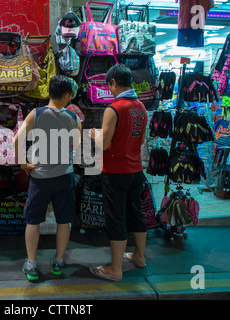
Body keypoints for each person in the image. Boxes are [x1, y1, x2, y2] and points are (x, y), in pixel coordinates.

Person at [13, 75, 81, 281]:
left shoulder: (37, 114)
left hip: (40, 177)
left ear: (49, 92)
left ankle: (31, 264)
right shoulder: (74, 118)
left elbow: (17, 139)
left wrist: (23, 163)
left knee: (33, 220)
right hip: (65, 176)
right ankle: (59, 262)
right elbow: (76, 148)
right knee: (64, 220)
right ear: (68, 95)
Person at [89, 64, 148, 282]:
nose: (110, 90)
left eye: (109, 86)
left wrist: (94, 133)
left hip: (115, 172)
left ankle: (115, 269)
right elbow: (140, 141)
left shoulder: (114, 108)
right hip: (136, 170)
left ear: (113, 83)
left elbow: (103, 144)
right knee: (136, 213)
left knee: (116, 218)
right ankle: (139, 257)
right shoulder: (141, 107)